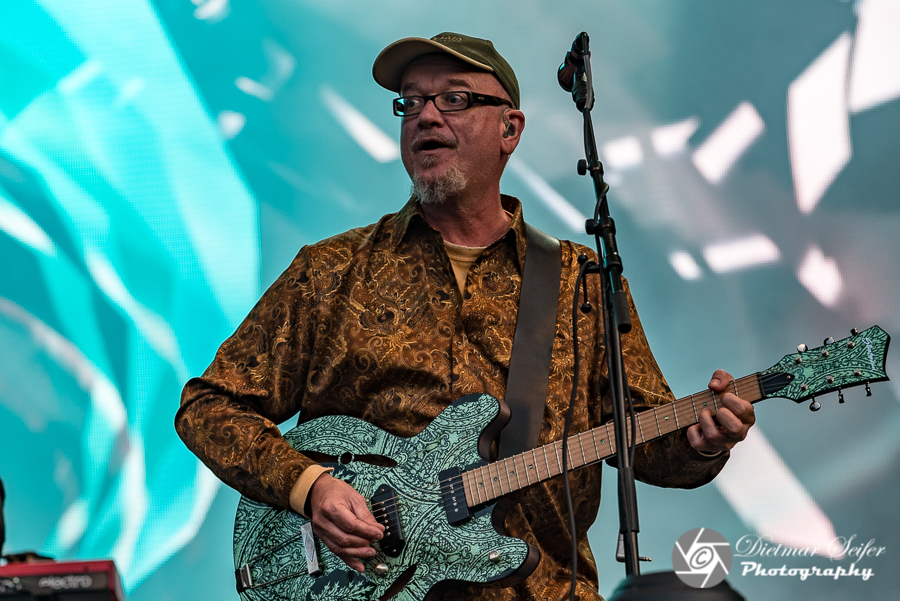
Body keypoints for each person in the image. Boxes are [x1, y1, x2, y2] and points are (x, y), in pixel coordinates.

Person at [176, 32, 755, 600]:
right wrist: (310, 487)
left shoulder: (581, 280)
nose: (426, 116)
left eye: (454, 98)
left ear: (510, 129)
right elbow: (209, 406)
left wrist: (704, 442)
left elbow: (645, 441)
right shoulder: (331, 271)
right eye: (411, 102)